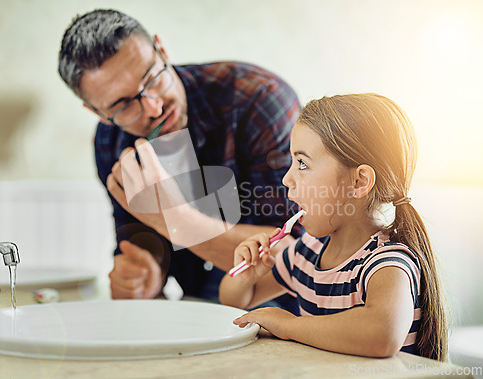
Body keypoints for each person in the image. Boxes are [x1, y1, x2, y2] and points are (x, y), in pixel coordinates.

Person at [58, 9, 301, 309]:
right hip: (196, 308)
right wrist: (146, 273)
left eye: (152, 78)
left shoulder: (259, 100)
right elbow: (141, 241)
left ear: (162, 50)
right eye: (123, 105)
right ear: (98, 113)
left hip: (292, 311)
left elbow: (295, 254)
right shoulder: (110, 142)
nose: (153, 107)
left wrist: (176, 220)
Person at [219, 93, 448, 360]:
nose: (287, 178)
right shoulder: (306, 252)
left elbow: (382, 335)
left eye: (302, 163)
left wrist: (289, 325)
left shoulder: (386, 262)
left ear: (359, 182)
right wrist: (247, 277)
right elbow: (235, 301)